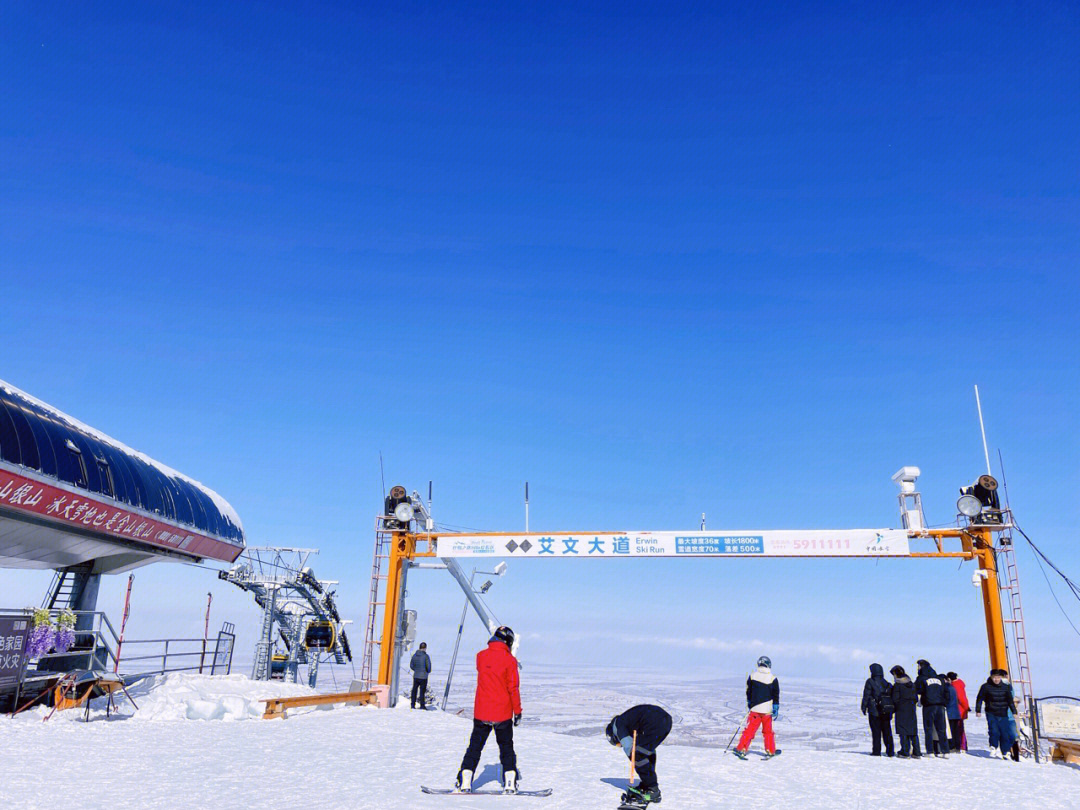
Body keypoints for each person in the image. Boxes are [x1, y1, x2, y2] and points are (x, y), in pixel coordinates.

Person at [455, 626, 523, 794]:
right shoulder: (510, 661)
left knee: (474, 748)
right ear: (508, 641)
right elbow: (513, 688)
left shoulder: (481, 656)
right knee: (506, 748)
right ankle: (510, 782)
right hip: (503, 713)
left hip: (482, 712)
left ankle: (464, 780)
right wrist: (518, 711)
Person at [605, 704, 673, 807]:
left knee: (637, 755)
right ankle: (647, 784)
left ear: (614, 736)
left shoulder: (618, 726)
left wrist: (635, 760)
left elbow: (629, 747)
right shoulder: (624, 720)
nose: (620, 745)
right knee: (646, 751)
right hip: (665, 721)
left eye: (618, 744)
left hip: (655, 722)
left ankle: (653, 791)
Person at [733, 656, 781, 760]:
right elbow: (776, 695)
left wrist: (750, 703)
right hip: (767, 711)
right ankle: (770, 750)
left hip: (755, 709)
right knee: (768, 732)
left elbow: (748, 692)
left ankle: (741, 749)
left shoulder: (752, 676)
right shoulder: (773, 678)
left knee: (749, 730)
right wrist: (775, 707)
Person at [976, 668, 1018, 759]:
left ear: (1000, 678)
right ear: (991, 677)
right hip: (991, 712)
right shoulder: (985, 687)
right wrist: (978, 710)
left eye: (998, 677)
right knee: (994, 731)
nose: (996, 679)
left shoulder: (1006, 687)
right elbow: (979, 699)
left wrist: (1014, 712)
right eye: (994, 677)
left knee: (1004, 733)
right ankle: (993, 747)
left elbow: (1010, 701)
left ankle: (1005, 751)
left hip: (1003, 712)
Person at [915, 659, 950, 758]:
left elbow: (917, 689)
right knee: (942, 729)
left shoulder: (921, 678)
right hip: (940, 706)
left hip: (928, 706)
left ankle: (930, 751)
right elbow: (946, 691)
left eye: (918, 666)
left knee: (928, 729)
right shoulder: (939, 678)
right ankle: (945, 751)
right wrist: (945, 703)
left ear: (921, 667)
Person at [861, 663, 895, 756]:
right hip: (886, 712)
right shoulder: (887, 683)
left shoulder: (870, 681)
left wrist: (863, 707)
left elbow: (866, 695)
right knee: (887, 732)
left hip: (874, 711)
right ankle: (890, 751)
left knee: (876, 732)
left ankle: (876, 751)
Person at [890, 665, 921, 759]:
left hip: (901, 710)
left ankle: (905, 751)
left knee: (903, 731)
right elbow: (916, 698)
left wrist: (894, 708)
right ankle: (917, 752)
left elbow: (895, 699)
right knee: (913, 731)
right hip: (911, 710)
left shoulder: (898, 685)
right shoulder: (912, 684)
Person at [946, 672, 969, 752]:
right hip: (960, 709)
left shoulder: (956, 686)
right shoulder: (959, 684)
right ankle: (962, 746)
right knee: (959, 728)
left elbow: (961, 698)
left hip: (958, 710)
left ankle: (962, 746)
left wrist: (966, 707)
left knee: (958, 729)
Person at [410, 642, 432, 709]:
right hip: (423, 677)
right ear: (425, 648)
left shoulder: (414, 655)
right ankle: (422, 705)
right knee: (422, 691)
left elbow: (411, 665)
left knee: (414, 690)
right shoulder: (426, 656)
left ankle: (412, 705)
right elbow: (428, 667)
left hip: (416, 676)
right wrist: (426, 672)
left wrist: (416, 670)